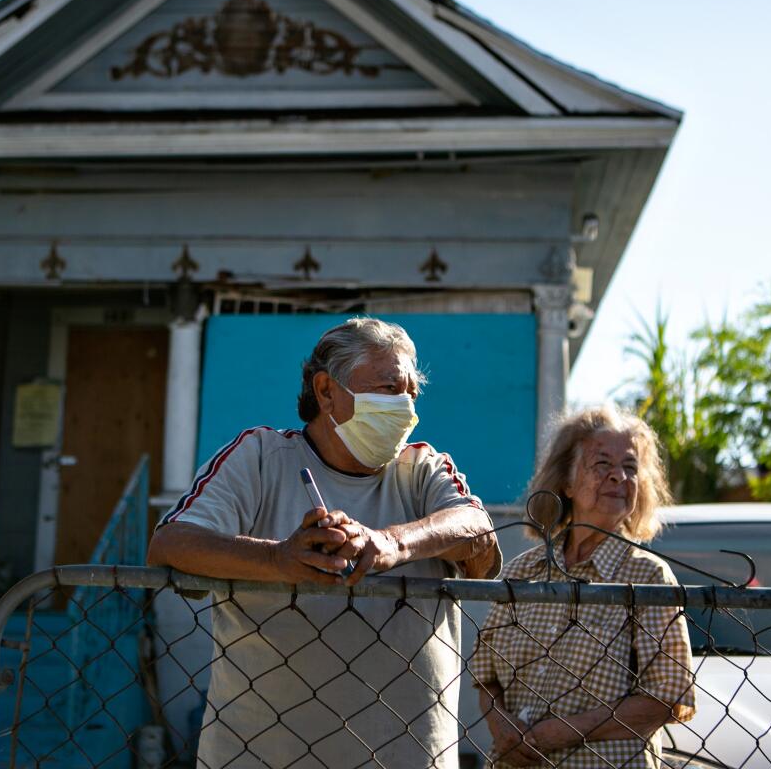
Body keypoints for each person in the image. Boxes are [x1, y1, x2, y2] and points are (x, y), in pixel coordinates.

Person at [148, 317, 501, 769]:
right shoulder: (260, 457)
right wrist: (278, 559)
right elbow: (170, 543)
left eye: (411, 392)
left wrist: (391, 543)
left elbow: (478, 531)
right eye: (388, 388)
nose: (405, 406)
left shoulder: (423, 468)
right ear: (326, 391)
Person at [471, 406, 695, 768]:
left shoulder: (647, 577)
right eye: (602, 464)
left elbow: (668, 696)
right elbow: (485, 676)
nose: (618, 477)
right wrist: (504, 730)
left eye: (630, 467)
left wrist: (557, 734)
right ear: (567, 482)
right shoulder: (524, 571)